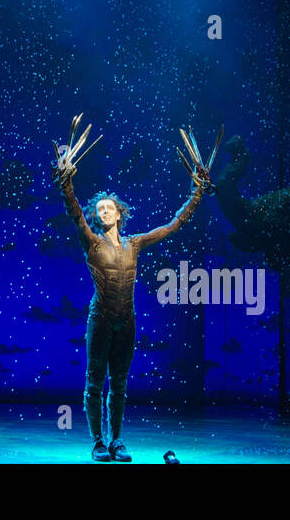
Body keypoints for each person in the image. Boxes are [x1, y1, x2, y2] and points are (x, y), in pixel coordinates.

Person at [53, 146, 212, 462]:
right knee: (95, 379)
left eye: (109, 208)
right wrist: (66, 183)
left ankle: (117, 441)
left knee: (121, 383)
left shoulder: (134, 243)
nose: (103, 212)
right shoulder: (92, 242)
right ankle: (98, 442)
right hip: (100, 318)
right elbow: (73, 210)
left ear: (119, 213)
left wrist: (196, 194)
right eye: (99, 209)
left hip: (126, 319)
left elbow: (172, 226)